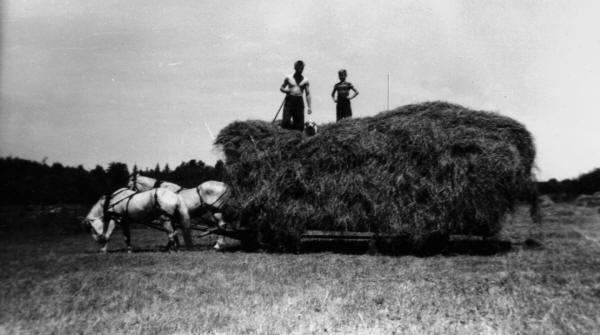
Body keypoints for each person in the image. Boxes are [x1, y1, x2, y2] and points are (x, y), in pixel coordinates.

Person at [280, 60, 312, 131]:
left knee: (299, 125)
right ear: (295, 68)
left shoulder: (305, 80)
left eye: (302, 68)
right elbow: (281, 88)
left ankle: (296, 138)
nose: (300, 69)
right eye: (298, 68)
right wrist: (286, 91)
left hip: (299, 101)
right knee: (286, 121)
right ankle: (286, 136)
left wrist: (309, 107)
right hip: (289, 100)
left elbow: (308, 94)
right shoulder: (288, 77)